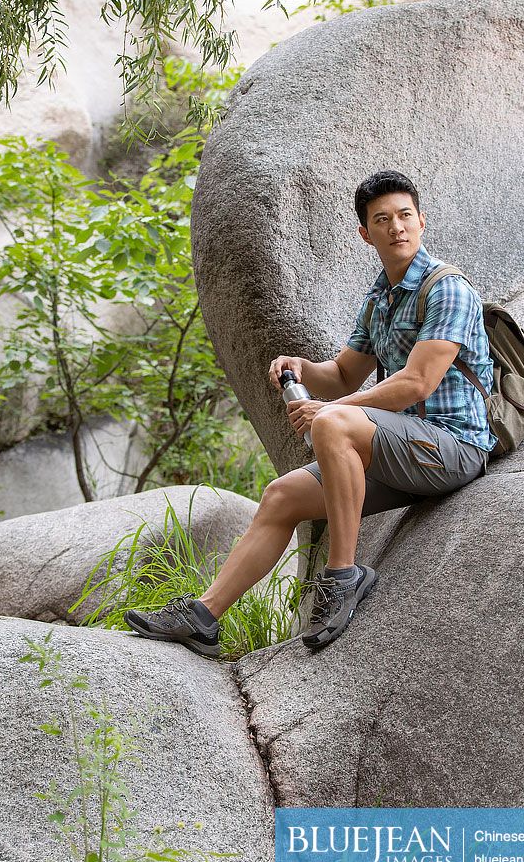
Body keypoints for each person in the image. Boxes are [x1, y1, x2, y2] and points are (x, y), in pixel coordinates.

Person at [124, 170, 496, 658]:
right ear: (365, 233)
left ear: (422, 222)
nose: (396, 227)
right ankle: (203, 617)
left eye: (405, 215)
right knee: (280, 496)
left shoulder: (447, 289)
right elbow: (343, 373)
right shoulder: (380, 298)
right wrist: (301, 367)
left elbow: (417, 383)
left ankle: (342, 576)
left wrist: (331, 410)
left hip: (453, 447)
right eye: (382, 219)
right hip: (407, 452)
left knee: (331, 423)